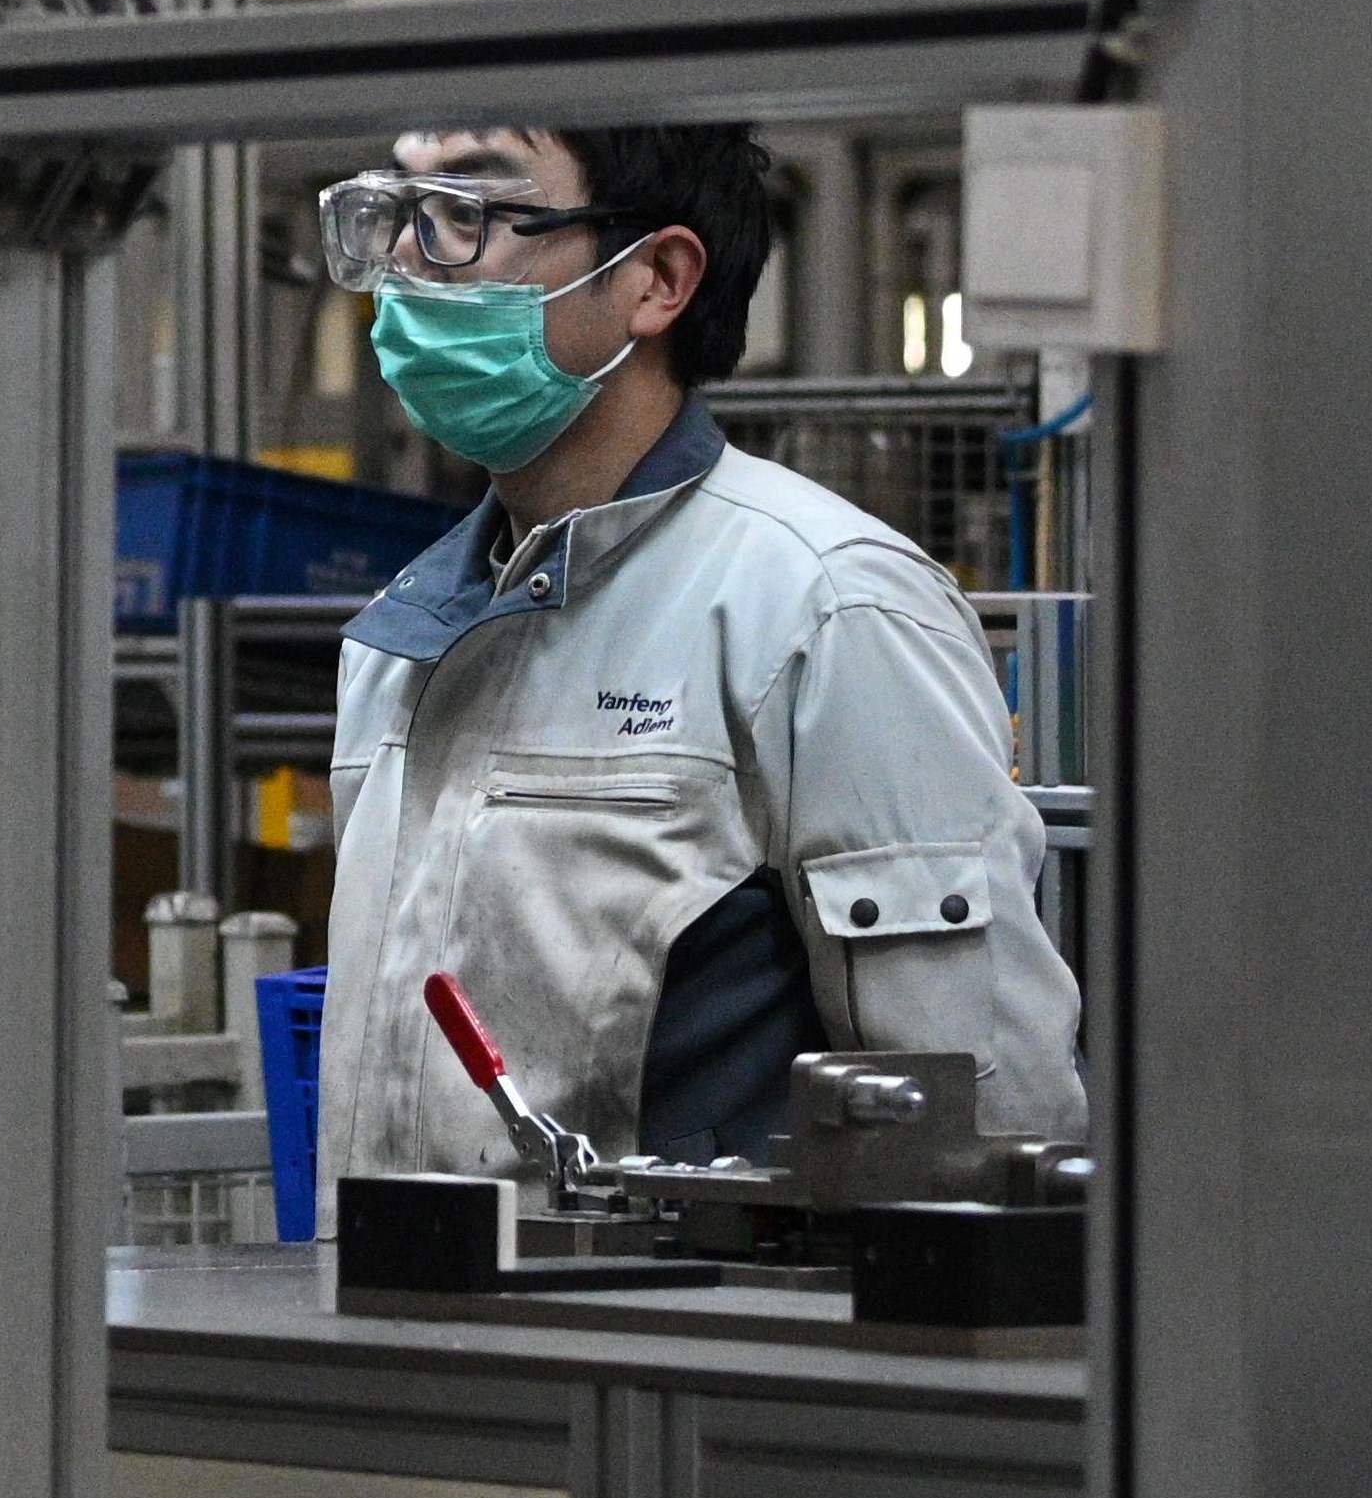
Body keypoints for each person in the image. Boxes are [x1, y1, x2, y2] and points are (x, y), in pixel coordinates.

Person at [311, 121, 1081, 1205]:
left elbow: (985, 1118)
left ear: (657, 280)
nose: (406, 255)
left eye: (467, 212)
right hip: (407, 1300)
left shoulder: (823, 606)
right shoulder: (400, 634)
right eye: (398, 211)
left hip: (685, 1309)